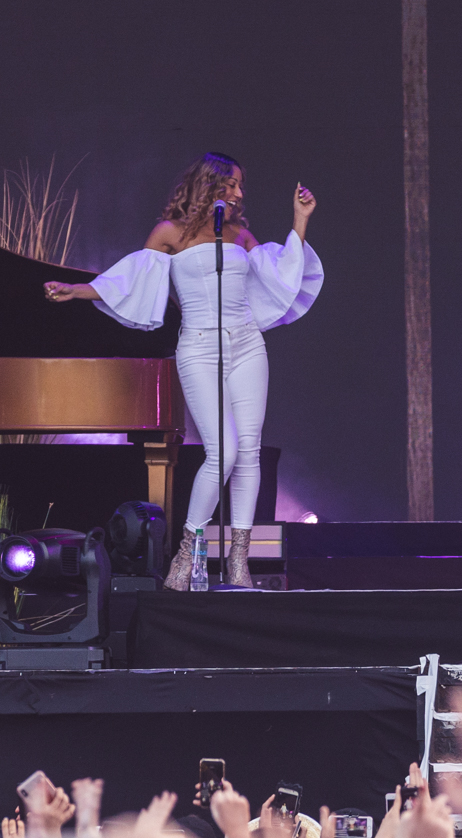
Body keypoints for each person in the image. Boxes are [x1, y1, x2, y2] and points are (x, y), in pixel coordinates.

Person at [44, 151, 322, 590]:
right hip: (197, 347)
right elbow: (130, 280)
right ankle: (189, 549)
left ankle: (238, 561)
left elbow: (284, 270)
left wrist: (300, 219)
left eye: (239, 186)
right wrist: (78, 290)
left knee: (249, 450)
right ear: (207, 185)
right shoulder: (168, 233)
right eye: (230, 184)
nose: (238, 193)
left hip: (248, 343)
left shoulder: (241, 234)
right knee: (224, 451)